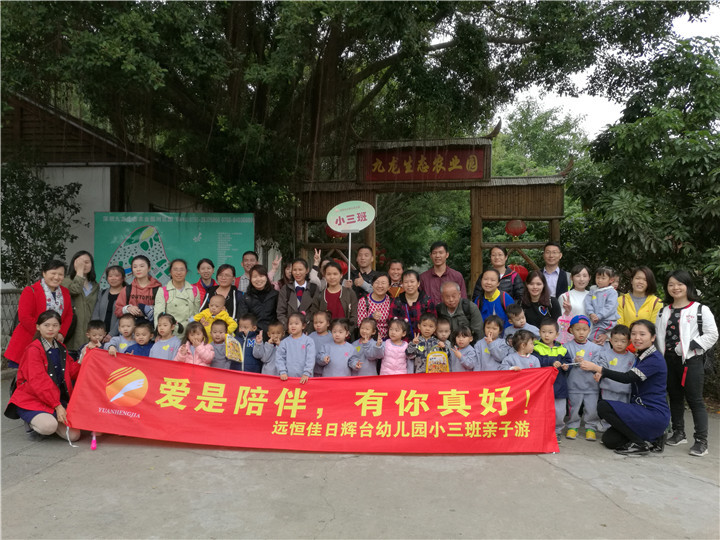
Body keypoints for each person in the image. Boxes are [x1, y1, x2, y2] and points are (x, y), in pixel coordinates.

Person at [578, 319, 670, 456]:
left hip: (652, 412)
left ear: (653, 337)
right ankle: (655, 438)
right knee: (610, 440)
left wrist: (597, 368)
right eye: (634, 334)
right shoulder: (640, 355)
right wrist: (601, 373)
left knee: (603, 406)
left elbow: (627, 378)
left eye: (642, 334)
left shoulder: (654, 359)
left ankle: (639, 444)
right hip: (639, 410)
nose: (637, 338)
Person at [655, 270, 718, 457]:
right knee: (675, 397)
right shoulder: (663, 311)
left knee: (695, 400)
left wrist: (688, 347)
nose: (675, 288)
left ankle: (701, 441)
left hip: (691, 360)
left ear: (687, 285)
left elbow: (712, 334)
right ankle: (678, 433)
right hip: (668, 360)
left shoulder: (700, 309)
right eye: (671, 284)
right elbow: (659, 337)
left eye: (679, 284)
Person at [4, 310, 81, 442]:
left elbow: (72, 372)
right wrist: (57, 406)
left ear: (60, 327)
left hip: (55, 398)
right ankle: (32, 422)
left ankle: (49, 420)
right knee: (48, 426)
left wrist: (84, 358)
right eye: (46, 325)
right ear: (38, 327)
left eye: (55, 325)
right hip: (32, 398)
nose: (51, 329)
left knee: (74, 436)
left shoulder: (61, 347)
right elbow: (39, 382)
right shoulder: (33, 350)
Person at [5, 260, 73, 368]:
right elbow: (25, 317)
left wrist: (61, 333)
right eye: (53, 273)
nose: (56, 277)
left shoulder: (65, 292)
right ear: (44, 273)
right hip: (28, 341)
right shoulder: (30, 290)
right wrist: (45, 333)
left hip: (53, 342)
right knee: (25, 376)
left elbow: (69, 315)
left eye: (60, 274)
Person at [563, 315, 604, 441]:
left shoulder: (596, 348)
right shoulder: (566, 347)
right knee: (574, 408)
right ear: (571, 330)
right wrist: (572, 361)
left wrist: (592, 367)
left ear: (589, 330)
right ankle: (572, 426)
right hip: (573, 385)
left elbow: (599, 365)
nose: (581, 332)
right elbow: (564, 364)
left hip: (591, 386)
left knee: (591, 409)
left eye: (584, 329)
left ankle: (591, 428)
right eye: (577, 329)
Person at [532, 319, 572, 441]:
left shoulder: (562, 349)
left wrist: (566, 367)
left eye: (550, 332)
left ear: (557, 334)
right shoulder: (535, 348)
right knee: (541, 411)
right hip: (542, 387)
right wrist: (551, 362)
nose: (546, 335)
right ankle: (542, 431)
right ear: (539, 332)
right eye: (543, 332)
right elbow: (536, 362)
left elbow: (568, 362)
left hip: (559, 386)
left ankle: (557, 431)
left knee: (559, 412)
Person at [597, 325, 634, 431]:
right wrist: (599, 374)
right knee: (608, 408)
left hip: (625, 390)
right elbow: (601, 368)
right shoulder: (604, 354)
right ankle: (605, 425)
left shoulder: (632, 357)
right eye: (616, 340)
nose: (619, 344)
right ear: (610, 341)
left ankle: (619, 427)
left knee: (622, 410)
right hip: (608, 389)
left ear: (629, 342)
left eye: (623, 341)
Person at [62, 250, 100, 352]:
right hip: (72, 332)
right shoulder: (66, 281)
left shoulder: (95, 285)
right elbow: (75, 290)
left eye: (87, 262)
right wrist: (79, 272)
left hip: (90, 333)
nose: (83, 265)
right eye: (80, 262)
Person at [154, 259, 202, 334]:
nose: (179, 273)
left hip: (190, 333)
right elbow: (158, 314)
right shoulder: (163, 291)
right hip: (171, 334)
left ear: (186, 272)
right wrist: (159, 333)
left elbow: (196, 314)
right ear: (170, 272)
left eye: (182, 270)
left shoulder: (194, 290)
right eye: (175, 269)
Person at [114, 255, 162, 323]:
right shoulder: (127, 290)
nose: (138, 269)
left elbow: (163, 312)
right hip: (131, 327)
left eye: (142, 266)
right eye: (135, 267)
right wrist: (128, 309)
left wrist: (147, 311)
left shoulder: (158, 289)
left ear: (149, 268)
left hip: (150, 328)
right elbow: (117, 312)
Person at [311, 261, 357, 331]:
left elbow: (354, 316)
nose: (332, 277)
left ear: (341, 275)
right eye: (328, 274)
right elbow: (313, 316)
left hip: (345, 335)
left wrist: (347, 332)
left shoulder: (349, 293)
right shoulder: (320, 295)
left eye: (335, 274)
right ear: (324, 275)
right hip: (325, 335)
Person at [390, 270, 435, 339]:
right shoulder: (397, 301)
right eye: (406, 282)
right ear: (402, 284)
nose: (409, 285)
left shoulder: (427, 301)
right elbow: (391, 322)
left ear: (418, 283)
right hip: (402, 342)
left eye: (412, 282)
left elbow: (433, 322)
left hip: (422, 341)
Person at [277, 258, 319, 327]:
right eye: (295, 270)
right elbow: (280, 313)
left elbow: (315, 312)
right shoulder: (286, 289)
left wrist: (308, 328)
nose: (297, 273)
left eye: (300, 270)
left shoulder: (313, 288)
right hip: (290, 329)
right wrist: (289, 327)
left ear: (307, 270)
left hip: (308, 330)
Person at [238, 264, 279, 334]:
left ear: (266, 277)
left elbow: (279, 316)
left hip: (272, 334)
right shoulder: (246, 297)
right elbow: (242, 318)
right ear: (250, 279)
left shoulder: (275, 295)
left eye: (261, 276)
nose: (258, 279)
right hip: (252, 335)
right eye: (255, 277)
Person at [276, 313, 315, 383]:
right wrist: (282, 371)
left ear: (303, 326)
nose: (293, 326)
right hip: (288, 379)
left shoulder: (308, 341)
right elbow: (280, 358)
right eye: (290, 324)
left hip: (305, 379)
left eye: (296, 324)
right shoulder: (284, 342)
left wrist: (306, 373)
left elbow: (310, 358)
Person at [91, 265, 126, 343]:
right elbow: (96, 314)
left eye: (117, 276)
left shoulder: (127, 294)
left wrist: (111, 334)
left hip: (119, 336)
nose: (113, 278)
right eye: (110, 276)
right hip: (100, 336)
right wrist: (97, 333)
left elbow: (124, 317)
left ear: (123, 278)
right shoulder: (102, 293)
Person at [585, 266, 619, 345]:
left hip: (607, 321)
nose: (599, 280)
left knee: (593, 337)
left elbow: (610, 307)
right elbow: (587, 302)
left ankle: (590, 349)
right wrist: (591, 313)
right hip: (596, 320)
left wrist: (599, 316)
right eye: (598, 277)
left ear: (611, 280)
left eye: (603, 278)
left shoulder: (612, 292)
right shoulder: (593, 290)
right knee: (594, 336)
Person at [558, 264, 591, 343]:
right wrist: (567, 312)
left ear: (589, 278)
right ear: (571, 278)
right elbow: (561, 322)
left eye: (585, 276)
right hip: (570, 340)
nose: (581, 279)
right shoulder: (565, 297)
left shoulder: (593, 296)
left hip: (591, 339)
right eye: (578, 276)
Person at [356, 273, 392, 340]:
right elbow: (360, 324)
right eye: (377, 282)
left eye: (383, 283)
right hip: (368, 339)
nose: (380, 286)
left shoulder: (391, 301)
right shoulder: (364, 301)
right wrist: (371, 317)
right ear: (372, 285)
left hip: (387, 340)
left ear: (389, 287)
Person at [308, 311, 333, 377]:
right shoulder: (310, 337)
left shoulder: (333, 337)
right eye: (315, 323)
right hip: (313, 372)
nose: (318, 325)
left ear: (328, 323)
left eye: (321, 322)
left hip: (328, 373)